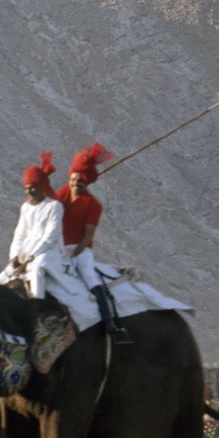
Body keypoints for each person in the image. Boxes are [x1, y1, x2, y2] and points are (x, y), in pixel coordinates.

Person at [56, 143, 130, 341]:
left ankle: (110, 324)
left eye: (79, 181)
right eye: (73, 179)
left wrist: (72, 255)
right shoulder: (61, 195)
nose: (75, 184)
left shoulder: (93, 205)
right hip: (58, 246)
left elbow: (88, 236)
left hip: (81, 250)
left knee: (90, 277)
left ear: (86, 182)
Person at [0, 152, 63, 299]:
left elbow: (50, 237)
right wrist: (14, 256)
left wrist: (29, 259)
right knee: (2, 278)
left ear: (41, 186)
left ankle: (37, 303)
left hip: (48, 252)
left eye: (32, 187)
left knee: (37, 270)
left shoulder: (54, 206)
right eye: (26, 188)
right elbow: (19, 234)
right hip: (25, 252)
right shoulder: (25, 207)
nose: (29, 191)